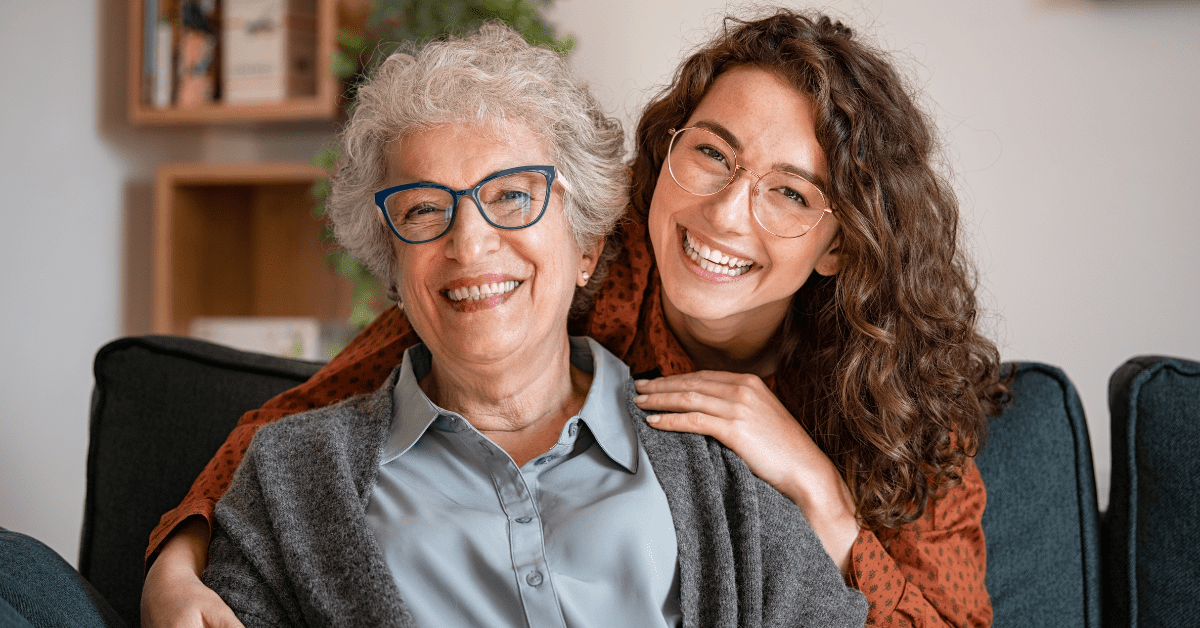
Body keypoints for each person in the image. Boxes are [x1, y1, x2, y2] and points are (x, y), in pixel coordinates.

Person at [143, 9, 1005, 628]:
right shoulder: (579, 261)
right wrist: (173, 568)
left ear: (838, 246)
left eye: (790, 192)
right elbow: (300, 427)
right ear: (665, 153)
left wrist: (816, 490)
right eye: (711, 153)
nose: (726, 216)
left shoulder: (901, 401)